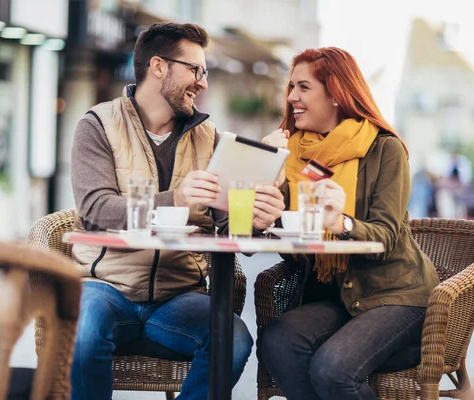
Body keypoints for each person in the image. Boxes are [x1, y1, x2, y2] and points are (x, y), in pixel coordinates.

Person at [69, 22, 284, 400]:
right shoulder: (98, 125)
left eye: (205, 71)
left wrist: (255, 219)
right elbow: (95, 208)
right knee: (85, 331)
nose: (203, 82)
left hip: (177, 295)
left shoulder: (211, 138)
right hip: (107, 286)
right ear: (158, 67)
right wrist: (175, 199)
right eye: (195, 69)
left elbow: (229, 229)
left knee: (233, 340)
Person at [259, 47, 440, 400]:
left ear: (337, 95)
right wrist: (265, 171)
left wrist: (340, 222)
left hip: (397, 295)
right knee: (279, 341)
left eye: (303, 87)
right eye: (290, 87)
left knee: (332, 368)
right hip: (337, 298)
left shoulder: (385, 150)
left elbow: (386, 235)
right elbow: (284, 241)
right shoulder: (293, 156)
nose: (291, 97)